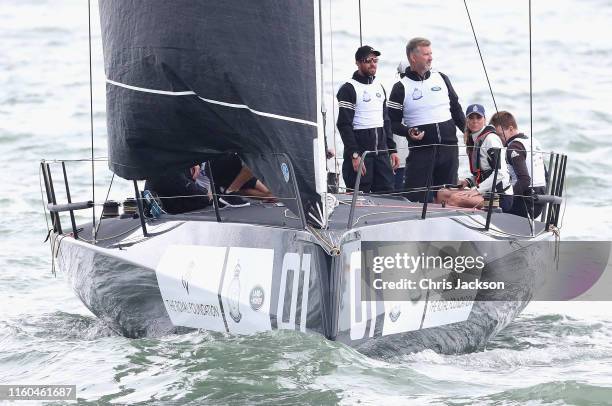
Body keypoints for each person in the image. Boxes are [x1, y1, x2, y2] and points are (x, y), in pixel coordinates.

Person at [388, 37, 466, 202]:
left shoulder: (441, 78)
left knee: (448, 197)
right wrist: (408, 132)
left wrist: (469, 133)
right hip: (422, 151)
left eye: (431, 53)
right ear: (413, 57)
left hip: (448, 149)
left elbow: (456, 109)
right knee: (415, 199)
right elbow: (392, 123)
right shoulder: (401, 87)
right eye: (426, 54)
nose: (430, 57)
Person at [336, 45, 400, 193]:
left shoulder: (380, 87)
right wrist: (354, 155)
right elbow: (344, 125)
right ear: (358, 63)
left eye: (375, 60)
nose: (373, 64)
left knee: (387, 194)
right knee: (358, 197)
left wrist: (393, 150)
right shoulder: (348, 89)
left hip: (382, 155)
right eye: (368, 60)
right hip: (361, 155)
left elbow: (386, 122)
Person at [436, 104, 513, 211]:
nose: (475, 120)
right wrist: (468, 182)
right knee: (442, 193)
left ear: (485, 120)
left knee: (455, 199)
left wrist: (477, 190)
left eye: (478, 117)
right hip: (485, 193)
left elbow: (501, 173)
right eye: (471, 117)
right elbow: (483, 173)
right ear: (467, 121)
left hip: (500, 198)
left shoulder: (491, 140)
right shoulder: (474, 140)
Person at [489, 111, 547, 218]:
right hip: (540, 201)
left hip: (525, 203)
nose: (498, 139)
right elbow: (545, 175)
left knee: (485, 203)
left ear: (511, 129)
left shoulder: (514, 147)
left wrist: (507, 198)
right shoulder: (533, 141)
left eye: (500, 135)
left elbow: (525, 180)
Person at [144, 165, 212, 214]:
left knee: (182, 192)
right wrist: (206, 195)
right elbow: (189, 187)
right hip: (175, 177)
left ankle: (151, 198)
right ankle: (165, 204)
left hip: (155, 182)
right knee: (204, 200)